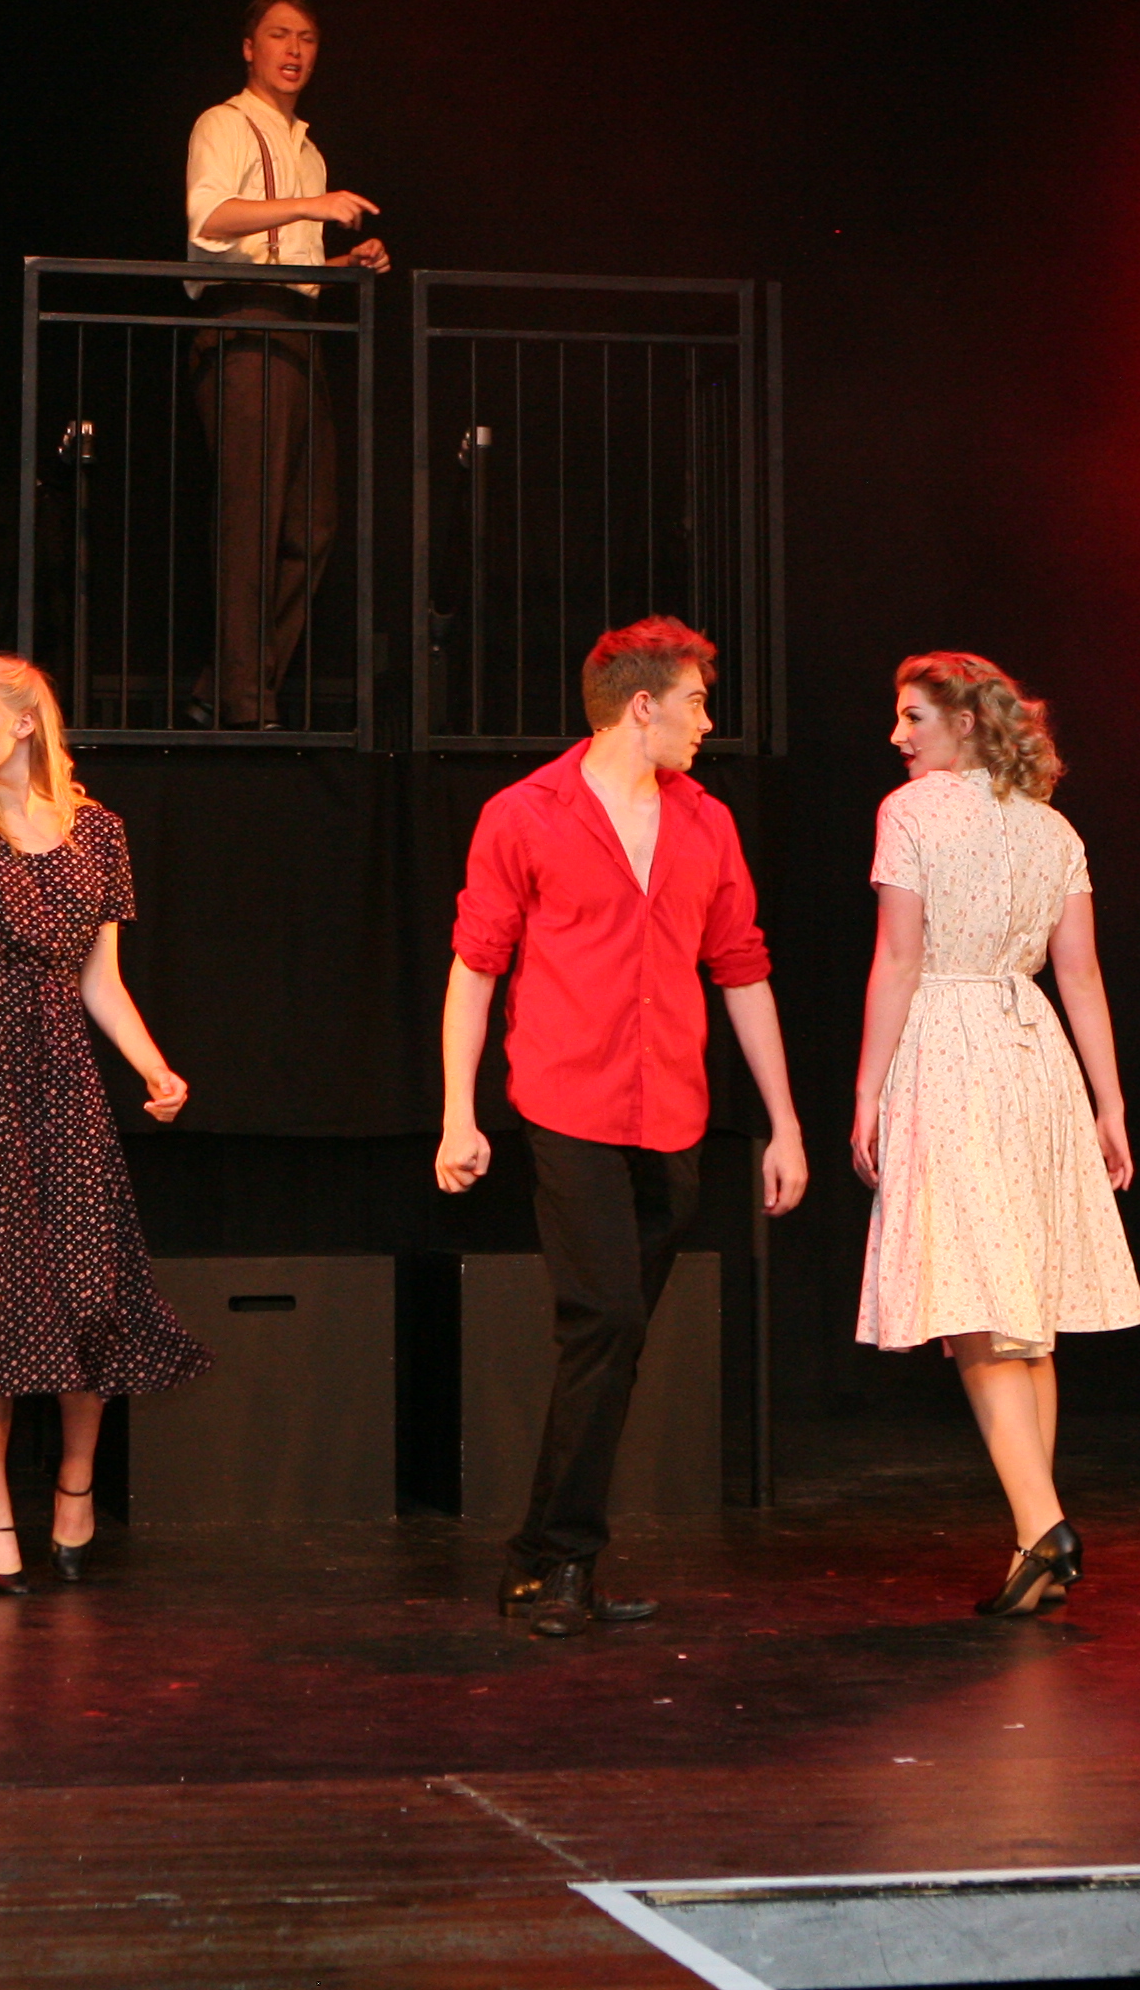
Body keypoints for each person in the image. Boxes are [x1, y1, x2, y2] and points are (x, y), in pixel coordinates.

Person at [434, 616, 809, 1638]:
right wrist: (458, 1111)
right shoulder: (524, 815)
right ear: (642, 707)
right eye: (695, 702)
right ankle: (556, 1560)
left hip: (672, 1113)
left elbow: (742, 969)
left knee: (614, 1340)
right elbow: (476, 967)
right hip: (570, 1106)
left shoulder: (707, 823)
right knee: (603, 1320)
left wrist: (784, 1123)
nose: (708, 722)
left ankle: (544, 1559)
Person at [0, 655, 204, 1593]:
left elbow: (100, 979)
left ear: (25, 723)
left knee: (87, 1285)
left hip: (62, 1075)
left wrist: (153, 1065)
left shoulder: (99, 831)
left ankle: (75, 1484)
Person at [848, 652, 1140, 1618]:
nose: (898, 736)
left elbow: (899, 960)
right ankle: (1032, 1539)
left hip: (951, 1042)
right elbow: (1083, 976)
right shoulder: (1054, 828)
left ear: (966, 722)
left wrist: (867, 1090)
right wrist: (1108, 1102)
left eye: (914, 717)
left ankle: (1044, 1524)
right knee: (1024, 1311)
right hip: (1036, 1055)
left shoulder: (911, 813)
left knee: (976, 1299)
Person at [181, 0, 390, 730]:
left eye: (306, 38)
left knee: (311, 523)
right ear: (250, 48)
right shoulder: (224, 122)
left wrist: (342, 263)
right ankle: (245, 706)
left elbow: (290, 259)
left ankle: (228, 684)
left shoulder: (308, 148)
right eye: (278, 35)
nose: (294, 50)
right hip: (245, 323)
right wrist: (311, 205)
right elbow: (208, 220)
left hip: (296, 326)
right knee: (254, 518)